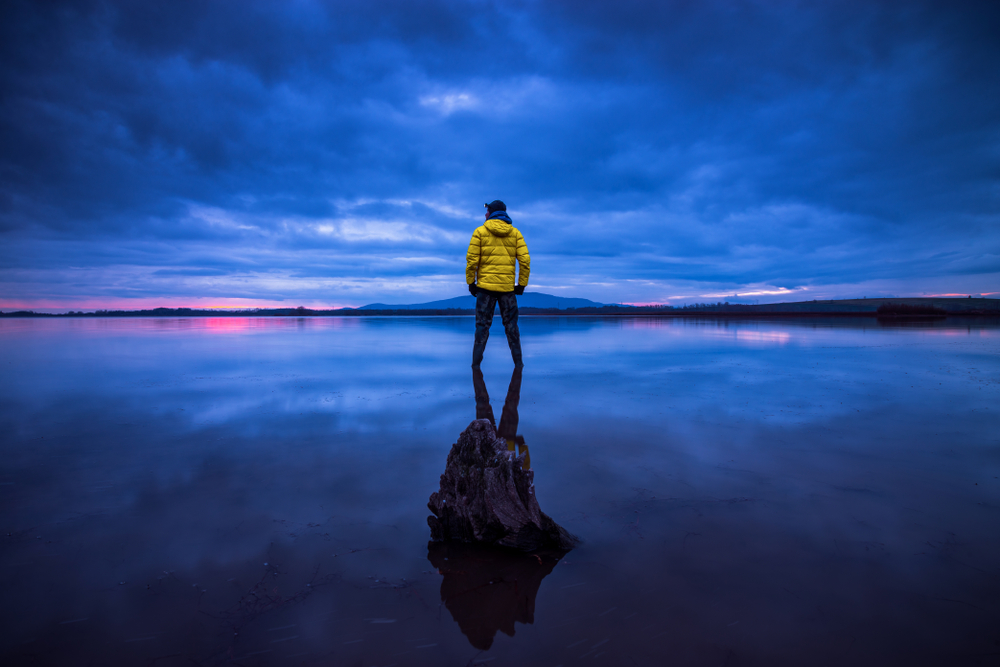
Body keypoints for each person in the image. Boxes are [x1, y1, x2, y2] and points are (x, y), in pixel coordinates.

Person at [466, 200, 530, 367]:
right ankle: (518, 364)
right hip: (507, 290)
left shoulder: (479, 232)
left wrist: (471, 282)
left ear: (491, 212)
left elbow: (472, 260)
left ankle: (475, 366)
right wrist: (521, 284)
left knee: (482, 327)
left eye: (486, 211)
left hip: (485, 289)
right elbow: (525, 261)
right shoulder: (515, 233)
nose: (485, 214)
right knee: (512, 327)